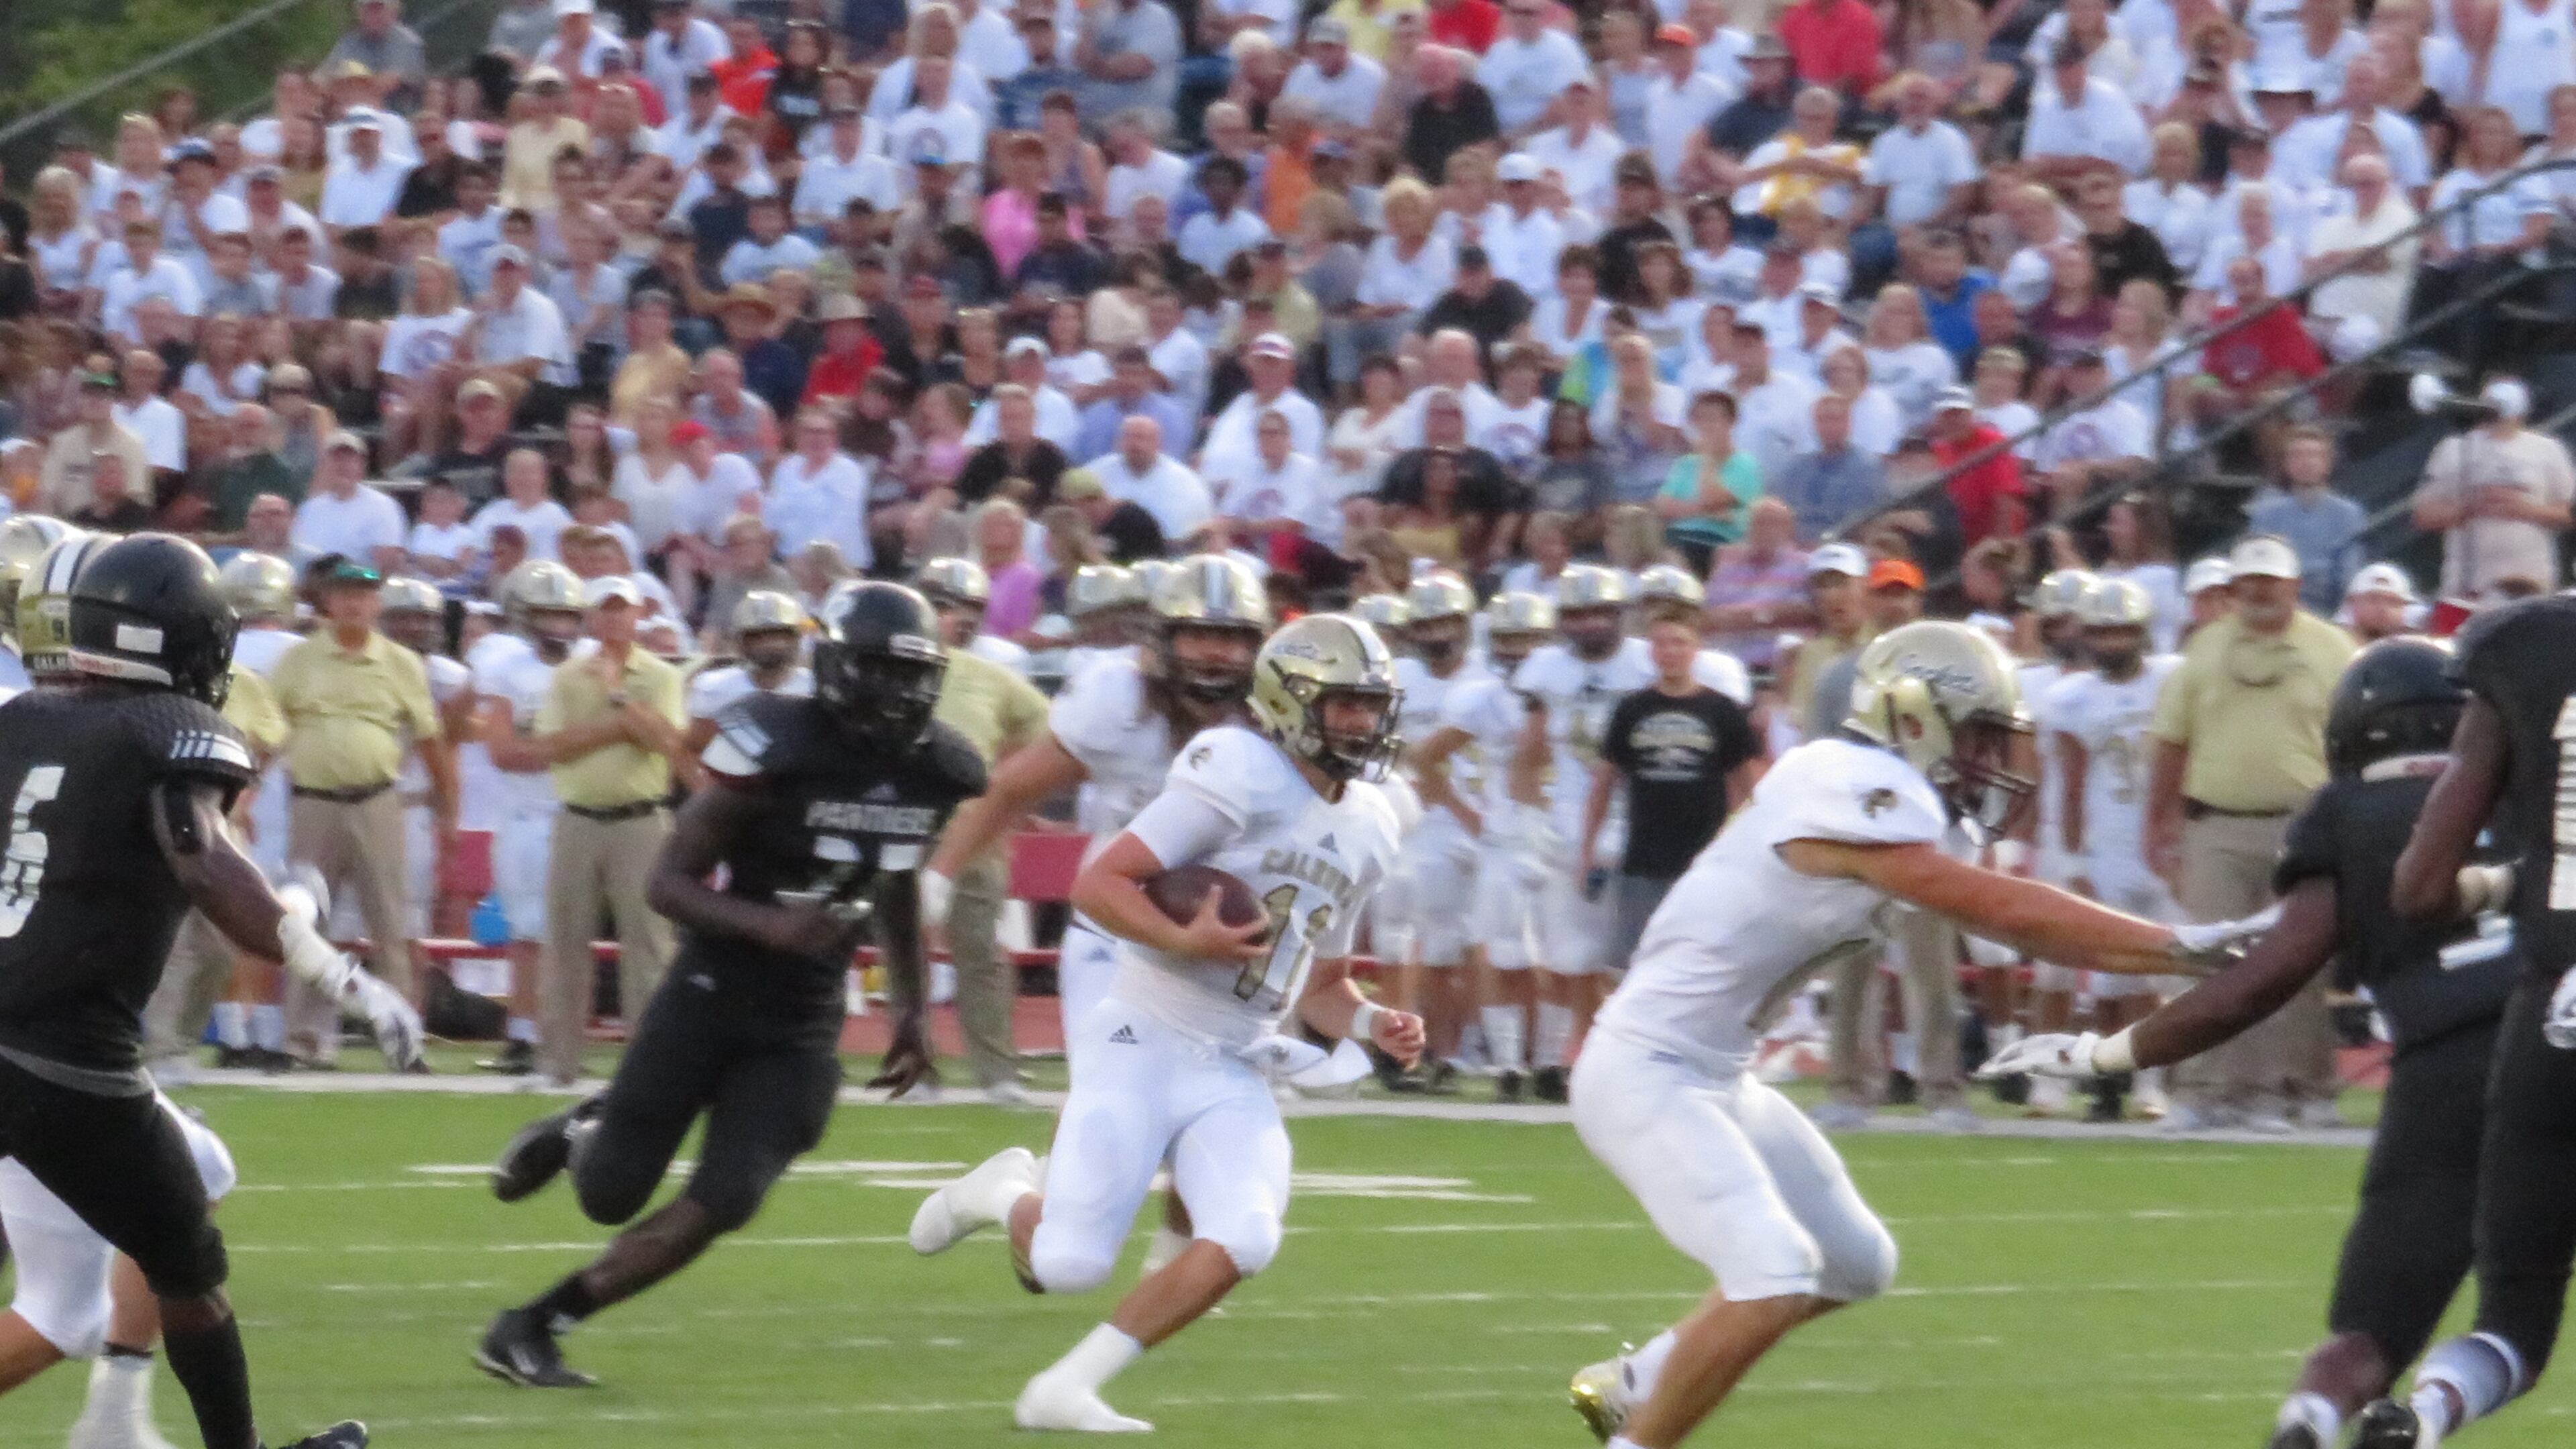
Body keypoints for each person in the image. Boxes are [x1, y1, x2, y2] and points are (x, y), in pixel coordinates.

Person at [1564, 621, 2256, 1449]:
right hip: (1646, 1067)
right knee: (1772, 1273)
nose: (1989, 756)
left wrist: (2178, 954)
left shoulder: (1887, 799)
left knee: (1856, 1263)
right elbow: (2002, 909)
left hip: (1715, 1072)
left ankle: (1639, 1383)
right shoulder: (1841, 776)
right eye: (1978, 734)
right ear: (1914, 717)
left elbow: (2015, 919)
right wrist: (2172, 945)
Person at [1993, 637, 2519, 1449]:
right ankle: (2427, 1419)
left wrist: (2112, 1053)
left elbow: (2262, 982)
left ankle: (2309, 1418)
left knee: (2369, 1331)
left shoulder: (2345, 814)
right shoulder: (2536, 792)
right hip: (2552, 1049)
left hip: (2441, 1073)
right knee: (2522, 1311)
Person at [909, 612, 1420, 1432]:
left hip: (1235, 1058)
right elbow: (1103, 884)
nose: (1365, 722)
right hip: (1143, 1036)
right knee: (1068, 1264)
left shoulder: (1373, 822)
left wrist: (1370, 1024)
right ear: (1291, 702)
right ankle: (1001, 1193)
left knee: (1248, 1233)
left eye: (1372, 705)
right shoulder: (1240, 769)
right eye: (1347, 704)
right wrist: (1187, 937)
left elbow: (1322, 983)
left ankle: (1064, 1390)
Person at [476, 582, 985, 1387]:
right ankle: (581, 1132)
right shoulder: (778, 747)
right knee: (609, 1194)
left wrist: (911, 1011)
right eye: (878, 670)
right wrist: (768, 925)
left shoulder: (938, 769)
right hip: (713, 989)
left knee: (732, 1195)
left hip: (804, 1020)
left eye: (909, 672)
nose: (895, 691)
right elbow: (667, 883)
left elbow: (897, 882)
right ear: (838, 669)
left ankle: (536, 1324)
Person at [0, 533, 417, 1449]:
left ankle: (119, 1419)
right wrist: (332, 970)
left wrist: (284, 904)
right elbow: (200, 857)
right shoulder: (162, 727)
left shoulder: (21, 717)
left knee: (189, 1185)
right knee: (187, 1267)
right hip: (63, 1059)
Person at [2360, 586, 2576, 1449]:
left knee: (2514, 1322)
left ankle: (2428, 1411)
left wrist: (2504, 884)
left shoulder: (2528, 644)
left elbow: (2418, 887)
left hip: (2554, 1012)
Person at [2145, 534, 2357, 1131]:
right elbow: (2171, 740)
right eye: (2249, 582)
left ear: (2294, 586)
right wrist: (2160, 821)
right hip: (2215, 822)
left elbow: (2354, 740)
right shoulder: (2205, 648)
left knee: (2297, 966)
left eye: (2271, 581)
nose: (2260, 591)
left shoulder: (2333, 649)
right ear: (2234, 589)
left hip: (2304, 825)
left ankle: (2292, 1090)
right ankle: (2207, 1090)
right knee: (2211, 960)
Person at [268, 557, 456, 1067]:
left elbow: (431, 741)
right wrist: (243, 790)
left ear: (377, 602)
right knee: (307, 926)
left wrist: (448, 812)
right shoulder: (298, 660)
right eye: (344, 592)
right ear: (327, 600)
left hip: (377, 801)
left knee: (392, 926)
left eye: (365, 593)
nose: (354, 602)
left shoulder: (400, 663)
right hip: (314, 802)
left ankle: (405, 1040)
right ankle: (307, 1042)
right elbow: (267, 730)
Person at [532, 576, 690, 1087]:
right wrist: (620, 727)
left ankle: (649, 1066)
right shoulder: (567, 677)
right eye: (607, 610)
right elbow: (554, 746)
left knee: (648, 943)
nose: (617, 619)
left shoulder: (661, 675)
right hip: (578, 816)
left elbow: (668, 743)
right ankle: (557, 1063)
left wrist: (618, 697)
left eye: (625, 609)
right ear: (592, 618)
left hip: (640, 819)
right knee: (565, 941)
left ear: (639, 614)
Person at [2047, 577, 2186, 1121]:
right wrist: (2075, 855)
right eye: (2102, 632)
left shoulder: (2172, 680)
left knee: (2167, 968)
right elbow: (2073, 780)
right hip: (2108, 839)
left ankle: (2153, 1080)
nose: (2111, 643)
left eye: (2122, 632)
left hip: (2166, 838)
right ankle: (2113, 1081)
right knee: (2114, 974)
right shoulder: (2073, 698)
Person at [1582, 606, 1764, 981]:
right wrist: (1588, 850)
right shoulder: (1632, 709)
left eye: (1679, 643)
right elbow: (1604, 783)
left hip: (1706, 861)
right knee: (1634, 965)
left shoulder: (1721, 710)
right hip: (1643, 859)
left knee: (1705, 960)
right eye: (1661, 644)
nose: (1670, 652)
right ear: (1651, 651)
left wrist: (1747, 844)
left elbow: (1749, 787)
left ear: (1696, 649)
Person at [466, 559, 587, 1077]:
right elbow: (502, 751)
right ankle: (522, 1035)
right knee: (526, 932)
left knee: (571, 932)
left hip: (578, 808)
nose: (558, 625)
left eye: (565, 614)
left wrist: (551, 747)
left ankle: (564, 1036)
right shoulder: (508, 668)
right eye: (547, 614)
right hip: (525, 812)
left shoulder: (592, 665)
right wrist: (571, 745)